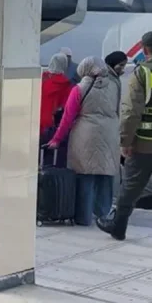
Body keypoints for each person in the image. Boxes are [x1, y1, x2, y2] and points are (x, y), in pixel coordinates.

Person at [99, 31, 152, 240]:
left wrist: (125, 141)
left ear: (145, 50)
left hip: (146, 142)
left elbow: (130, 112)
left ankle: (118, 225)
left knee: (131, 185)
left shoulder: (142, 72)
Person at [47, 56, 121, 227]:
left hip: (85, 134)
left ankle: (84, 217)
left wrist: (57, 139)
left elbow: (67, 118)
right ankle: (104, 216)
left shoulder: (80, 88)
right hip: (110, 133)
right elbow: (118, 110)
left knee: (84, 175)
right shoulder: (114, 86)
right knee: (105, 174)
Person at [40, 53, 74, 167]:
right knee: (51, 159)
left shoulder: (41, 80)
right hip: (52, 125)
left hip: (37, 122)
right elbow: (67, 108)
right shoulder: (66, 85)